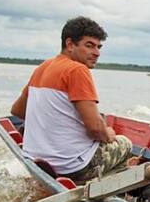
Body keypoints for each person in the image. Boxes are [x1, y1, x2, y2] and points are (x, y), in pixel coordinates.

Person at [10, 16, 134, 182]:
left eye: (98, 47)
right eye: (89, 45)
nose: (96, 53)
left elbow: (17, 110)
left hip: (36, 160)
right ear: (70, 44)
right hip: (71, 167)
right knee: (125, 143)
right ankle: (99, 187)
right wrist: (108, 135)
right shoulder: (77, 70)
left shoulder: (42, 67)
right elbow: (95, 129)